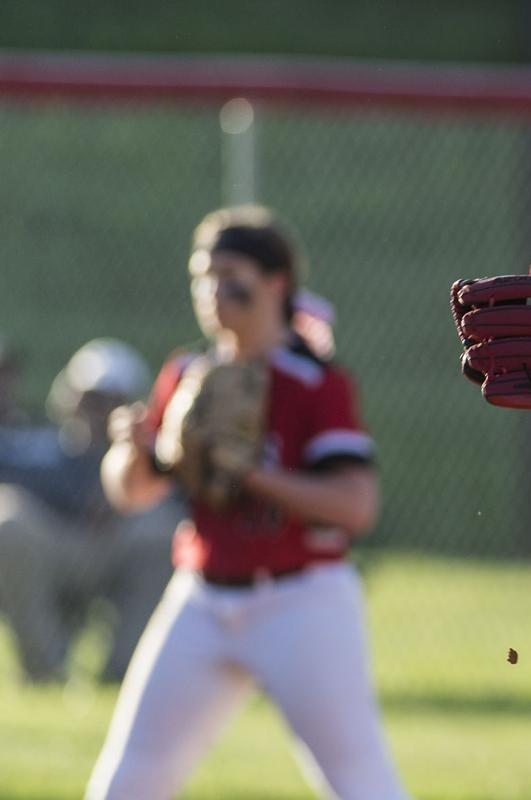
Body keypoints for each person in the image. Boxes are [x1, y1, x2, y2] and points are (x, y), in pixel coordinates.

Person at [85, 206, 408, 800]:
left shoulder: (313, 380)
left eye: (230, 273)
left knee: (363, 786)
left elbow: (356, 505)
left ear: (276, 282)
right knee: (126, 784)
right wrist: (129, 451)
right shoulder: (189, 372)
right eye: (202, 275)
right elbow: (131, 493)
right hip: (203, 597)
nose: (212, 290)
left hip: (301, 600)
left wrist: (257, 475)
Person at [0, 338, 180, 684]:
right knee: (7, 520)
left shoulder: (152, 457)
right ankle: (46, 670)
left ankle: (126, 670)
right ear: (68, 395)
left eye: (110, 400)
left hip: (114, 551)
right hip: (52, 547)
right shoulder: (35, 443)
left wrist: (121, 498)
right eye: (90, 397)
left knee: (163, 532)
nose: (98, 409)